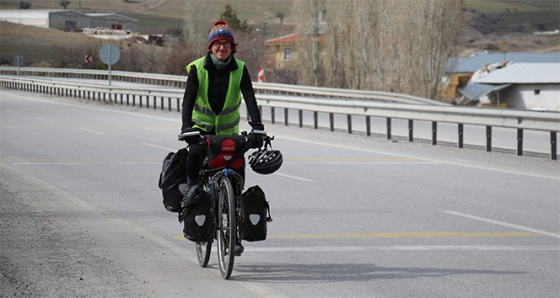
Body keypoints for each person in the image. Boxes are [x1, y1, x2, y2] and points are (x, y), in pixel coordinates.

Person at [179, 20, 265, 254]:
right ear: (210, 47)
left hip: (228, 133)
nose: (222, 48)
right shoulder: (197, 68)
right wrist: (187, 127)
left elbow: (249, 97)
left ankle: (234, 232)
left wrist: (257, 127)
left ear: (232, 47)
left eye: (226, 43)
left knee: (236, 171)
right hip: (201, 129)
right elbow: (188, 100)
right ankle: (194, 189)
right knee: (195, 154)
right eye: (217, 43)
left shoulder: (240, 68)